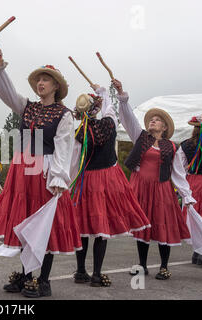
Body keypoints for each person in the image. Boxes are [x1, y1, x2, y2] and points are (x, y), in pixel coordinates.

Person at [0, 44, 82, 298]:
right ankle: (26, 276)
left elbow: (63, 147)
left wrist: (57, 178)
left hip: (45, 171)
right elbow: (6, 92)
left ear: (56, 86)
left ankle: (43, 281)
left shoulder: (64, 115)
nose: (41, 83)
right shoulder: (27, 107)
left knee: (45, 225)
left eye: (46, 79)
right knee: (24, 223)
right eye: (39, 79)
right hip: (22, 170)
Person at [113, 79, 194, 280]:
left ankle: (164, 267)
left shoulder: (172, 147)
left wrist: (187, 195)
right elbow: (128, 118)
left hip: (162, 190)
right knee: (143, 226)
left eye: (157, 120)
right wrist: (122, 97)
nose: (153, 121)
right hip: (141, 188)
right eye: (152, 119)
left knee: (163, 227)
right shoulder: (140, 137)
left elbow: (178, 173)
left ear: (164, 127)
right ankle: (142, 265)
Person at [71, 85, 151, 287]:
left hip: (85, 180)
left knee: (83, 225)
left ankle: (81, 270)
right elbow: (110, 110)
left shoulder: (79, 132)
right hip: (106, 178)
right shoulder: (109, 123)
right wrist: (103, 94)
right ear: (95, 109)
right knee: (101, 226)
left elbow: (74, 161)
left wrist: (69, 183)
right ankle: (97, 274)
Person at [179, 114, 202, 267]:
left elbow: (180, 166)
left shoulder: (185, 145)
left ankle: (198, 253)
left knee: (198, 215)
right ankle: (201, 254)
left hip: (192, 183)